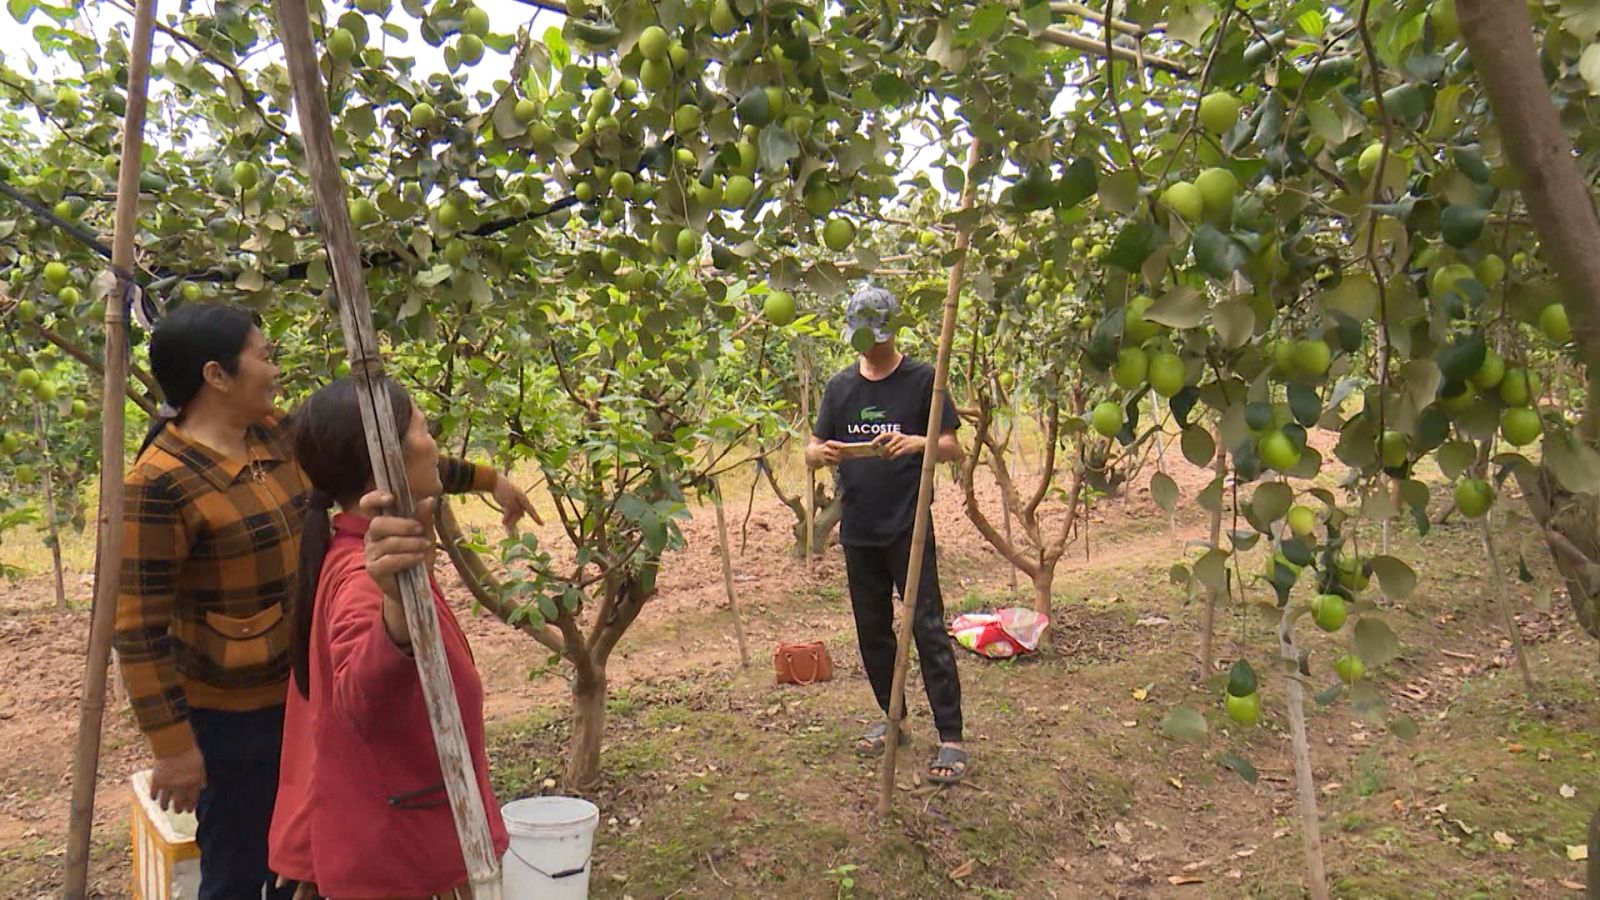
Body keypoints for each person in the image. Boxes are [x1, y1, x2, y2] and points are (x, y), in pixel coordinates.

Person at [113, 303, 533, 899]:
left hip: (306, 691)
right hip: (234, 717)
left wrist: (489, 479)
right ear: (216, 375)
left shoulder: (274, 437)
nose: (275, 367)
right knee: (238, 864)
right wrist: (175, 749)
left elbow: (375, 459)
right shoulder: (161, 482)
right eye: (263, 354)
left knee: (299, 859)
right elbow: (137, 627)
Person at [269, 376, 508, 899]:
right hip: (400, 856)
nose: (434, 440)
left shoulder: (350, 546)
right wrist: (396, 617)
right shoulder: (363, 579)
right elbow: (361, 699)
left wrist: (494, 480)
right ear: (386, 460)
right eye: (423, 426)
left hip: (400, 840)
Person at [806, 285, 970, 784]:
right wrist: (825, 454)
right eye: (861, 337)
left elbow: (952, 448)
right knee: (872, 631)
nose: (869, 347)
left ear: (893, 330)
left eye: (876, 337)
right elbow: (810, 450)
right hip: (858, 529)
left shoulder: (924, 381)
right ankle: (892, 719)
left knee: (926, 625)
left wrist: (916, 442)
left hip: (909, 526)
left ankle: (952, 738)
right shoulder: (839, 388)